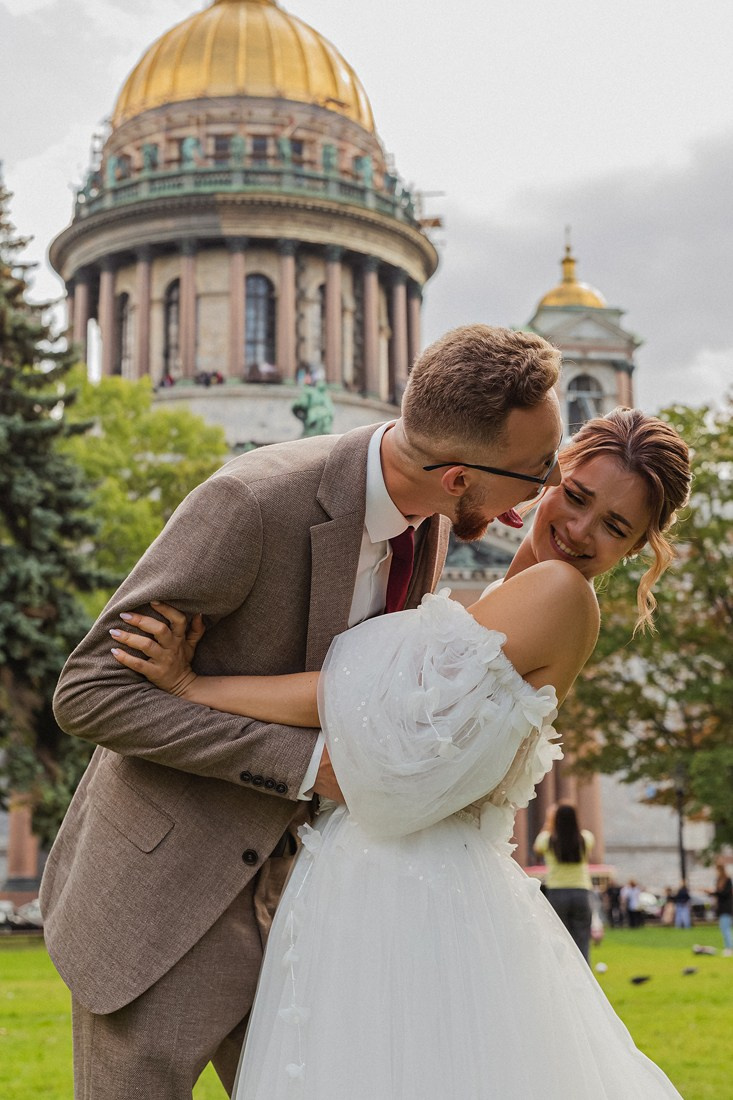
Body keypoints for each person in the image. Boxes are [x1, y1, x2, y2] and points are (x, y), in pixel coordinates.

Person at [40, 324, 564, 1100]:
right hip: (162, 910)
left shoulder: (434, 523)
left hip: (313, 914)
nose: (547, 486)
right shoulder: (250, 503)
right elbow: (89, 692)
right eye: (536, 469)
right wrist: (305, 767)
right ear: (457, 475)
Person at [112, 407, 691, 1098]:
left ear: (638, 550)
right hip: (398, 876)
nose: (579, 530)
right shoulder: (514, 585)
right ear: (551, 475)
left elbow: (365, 699)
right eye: (576, 497)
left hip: (403, 890)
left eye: (614, 528)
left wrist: (192, 684)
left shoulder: (558, 593)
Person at [534, 802, 595, 963]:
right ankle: (585, 980)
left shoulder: (547, 840)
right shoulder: (586, 838)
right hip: (581, 892)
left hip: (557, 892)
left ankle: (564, 977)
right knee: (582, 940)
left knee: (559, 938)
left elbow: (537, 847)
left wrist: (549, 821)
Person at [707, 858, 733, 956]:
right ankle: (728, 947)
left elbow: (725, 894)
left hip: (727, 907)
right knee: (724, 928)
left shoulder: (727, 880)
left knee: (725, 928)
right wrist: (711, 893)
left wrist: (714, 892)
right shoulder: (719, 880)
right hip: (721, 907)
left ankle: (729, 948)